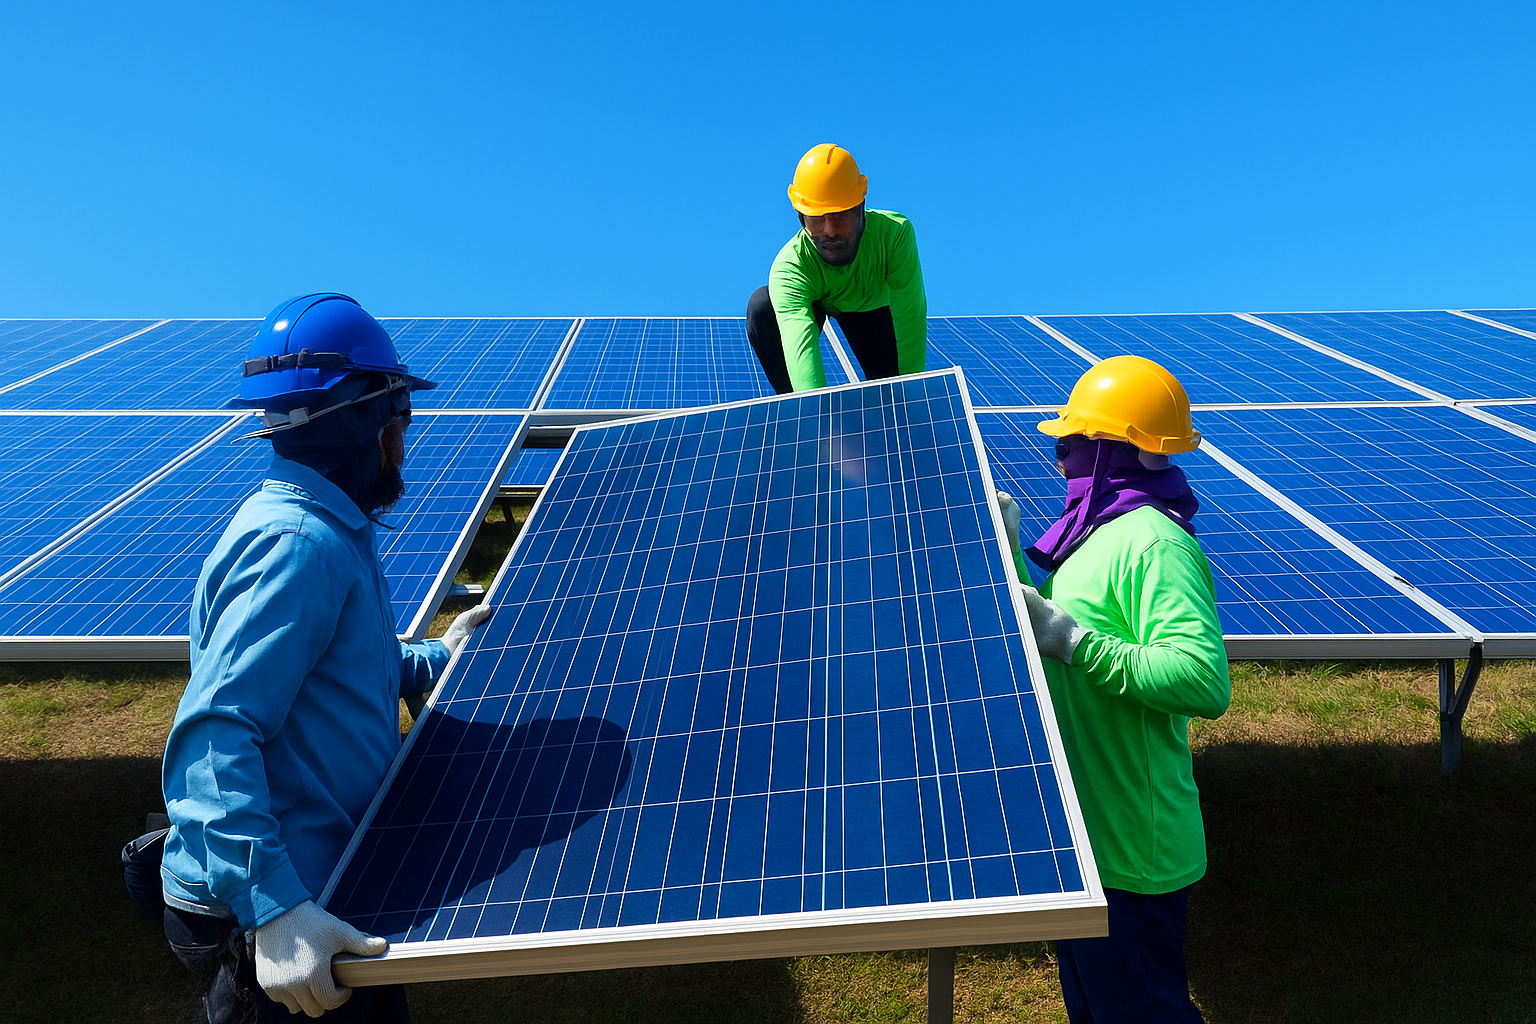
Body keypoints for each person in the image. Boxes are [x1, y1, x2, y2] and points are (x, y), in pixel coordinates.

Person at [159, 293, 492, 1022]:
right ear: (366, 421)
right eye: (400, 414)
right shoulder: (297, 546)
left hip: (328, 874)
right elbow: (213, 738)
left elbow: (340, 668)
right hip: (284, 903)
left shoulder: (331, 527)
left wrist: (437, 659)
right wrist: (275, 909)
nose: (406, 436)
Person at [996, 355, 1230, 1023]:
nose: (1059, 462)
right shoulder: (1091, 537)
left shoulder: (1155, 543)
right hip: (1086, 842)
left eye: (1068, 445)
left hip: (1134, 851)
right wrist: (1010, 558)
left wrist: (1075, 643)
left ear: (1109, 450)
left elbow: (1202, 680)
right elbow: (1058, 627)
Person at [746, 143, 928, 393]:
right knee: (762, 307)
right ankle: (797, 409)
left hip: (873, 311)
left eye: (840, 215)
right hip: (816, 303)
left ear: (860, 207)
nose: (829, 230)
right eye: (817, 218)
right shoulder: (790, 267)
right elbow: (799, 342)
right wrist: (816, 414)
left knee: (894, 392)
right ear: (801, 218)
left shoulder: (894, 235)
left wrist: (913, 397)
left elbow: (910, 316)